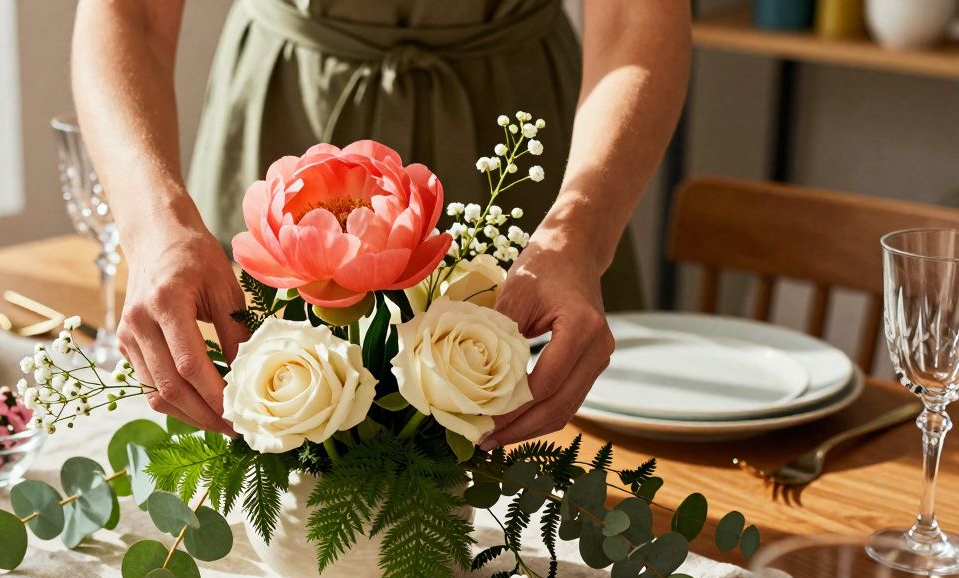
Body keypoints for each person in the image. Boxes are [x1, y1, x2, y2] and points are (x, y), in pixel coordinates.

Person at [70, 0, 690, 448]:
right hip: (284, 120)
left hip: (523, 146)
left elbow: (639, 16)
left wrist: (578, 237)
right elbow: (132, 12)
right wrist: (156, 229)